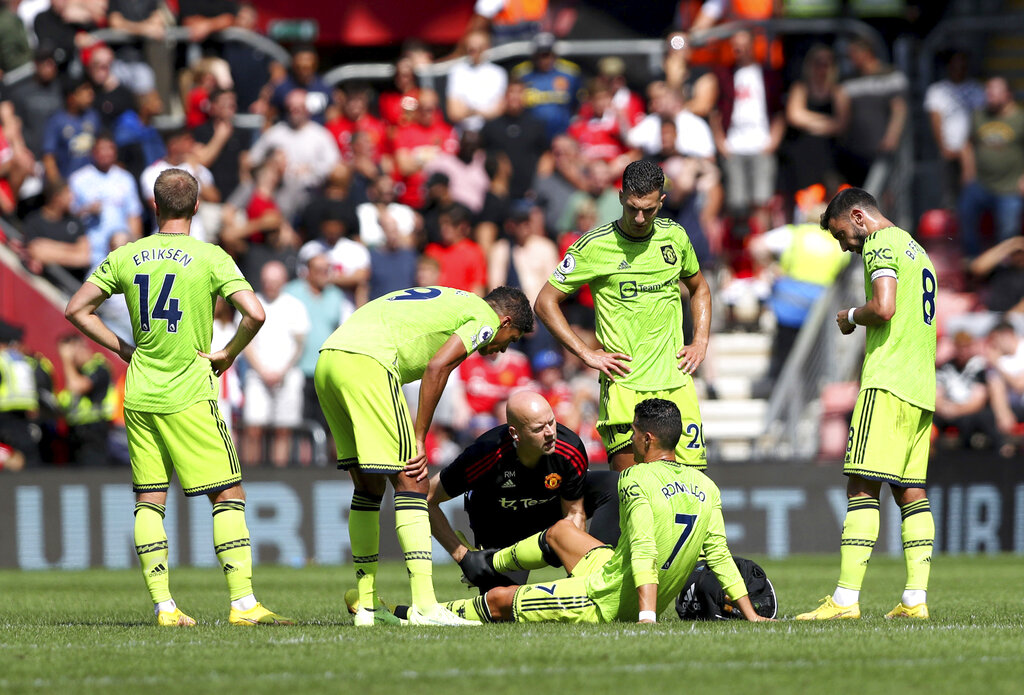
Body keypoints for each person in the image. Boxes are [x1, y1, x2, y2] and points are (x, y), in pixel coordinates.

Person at [64, 168, 292, 627]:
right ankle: (243, 603)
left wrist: (125, 349)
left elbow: (76, 309)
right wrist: (228, 352)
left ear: (154, 205)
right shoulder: (210, 256)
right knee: (228, 492)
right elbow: (255, 313)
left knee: (150, 499)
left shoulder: (125, 255)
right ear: (197, 206)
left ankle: (165, 607)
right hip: (189, 392)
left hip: (141, 392)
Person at [430, 398, 770, 624]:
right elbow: (720, 555)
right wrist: (751, 615)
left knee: (499, 600)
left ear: (647, 439)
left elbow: (643, 550)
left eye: (632, 433)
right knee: (561, 533)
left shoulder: (633, 477)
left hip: (604, 597)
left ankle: (415, 613)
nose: (629, 440)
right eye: (539, 427)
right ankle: (485, 561)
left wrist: (647, 617)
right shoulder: (706, 486)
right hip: (589, 563)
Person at [314, 284, 533, 626]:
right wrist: (419, 436)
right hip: (370, 363)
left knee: (368, 489)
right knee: (414, 484)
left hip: (329, 359)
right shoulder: (484, 317)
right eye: (513, 338)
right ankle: (426, 607)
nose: (503, 350)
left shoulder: (454, 299)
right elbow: (437, 367)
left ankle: (368, 605)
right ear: (504, 321)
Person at [797, 187, 936, 621]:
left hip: (888, 382)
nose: (845, 246)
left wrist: (851, 316)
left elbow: (885, 307)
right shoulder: (918, 250)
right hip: (921, 388)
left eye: (843, 234)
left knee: (861, 486)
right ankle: (915, 600)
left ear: (859, 216)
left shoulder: (881, 242)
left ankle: (844, 600)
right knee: (911, 493)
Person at [535, 159, 712, 472]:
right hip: (623, 386)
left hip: (675, 383)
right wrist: (585, 352)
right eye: (632, 208)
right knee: (632, 492)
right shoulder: (593, 246)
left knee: (689, 490)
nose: (640, 217)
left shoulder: (675, 237)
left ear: (662, 201)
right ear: (620, 198)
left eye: (649, 209)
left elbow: (700, 289)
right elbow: (545, 302)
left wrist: (700, 341)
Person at [425, 390, 620, 590]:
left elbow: (574, 512)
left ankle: (599, 577)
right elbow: (428, 498)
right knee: (501, 610)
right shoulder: (484, 454)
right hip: (503, 527)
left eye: (551, 422)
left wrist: (579, 575)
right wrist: (464, 558)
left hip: (550, 514)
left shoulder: (569, 448)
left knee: (614, 484)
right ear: (514, 433)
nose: (550, 433)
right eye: (538, 429)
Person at [241, 261, 310, 468]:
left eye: (275, 281)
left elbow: (300, 344)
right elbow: (246, 343)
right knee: (253, 428)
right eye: (267, 281)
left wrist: (282, 371)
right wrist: (262, 371)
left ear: (283, 282)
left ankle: (279, 473)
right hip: (256, 374)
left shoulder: (294, 305)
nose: (270, 285)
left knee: (284, 429)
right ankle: (251, 473)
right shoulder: (251, 303)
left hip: (287, 375)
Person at [958, 76, 1024, 257]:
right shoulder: (979, 115)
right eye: (988, 91)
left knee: (1008, 230)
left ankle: (1003, 269)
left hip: (1009, 187)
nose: (989, 96)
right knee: (965, 214)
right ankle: (972, 262)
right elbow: (967, 145)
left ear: (1008, 94)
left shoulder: (1020, 118)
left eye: (994, 91)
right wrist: (968, 172)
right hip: (980, 183)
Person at [68, 133, 144, 270]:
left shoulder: (125, 178)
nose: (105, 153)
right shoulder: (79, 178)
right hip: (91, 246)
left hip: (120, 244)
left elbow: (134, 215)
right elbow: (69, 215)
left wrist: (136, 245)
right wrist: (87, 210)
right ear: (93, 152)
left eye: (109, 149)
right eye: (101, 149)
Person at [56, 333, 114, 467]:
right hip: (76, 433)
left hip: (94, 431)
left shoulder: (99, 367)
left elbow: (77, 387)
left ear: (80, 347)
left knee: (93, 475)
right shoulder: (77, 372)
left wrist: (66, 360)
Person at [445, 30, 507, 133]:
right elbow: (454, 113)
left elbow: (499, 111)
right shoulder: (457, 71)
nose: (474, 52)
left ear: (487, 47)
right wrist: (485, 111)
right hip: (463, 133)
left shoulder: (498, 73)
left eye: (478, 48)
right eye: (471, 48)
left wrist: (471, 111)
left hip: (492, 133)